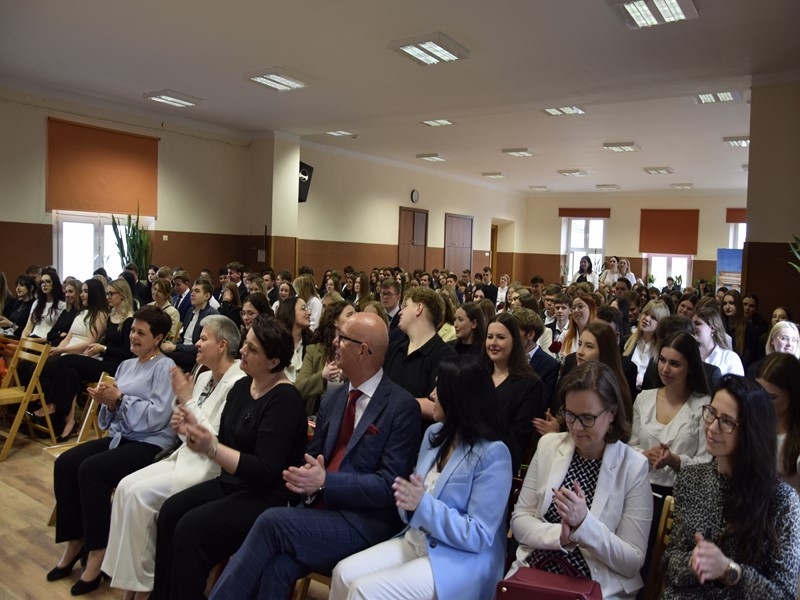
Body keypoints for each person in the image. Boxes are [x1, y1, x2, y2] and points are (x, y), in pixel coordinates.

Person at [208, 312, 421, 600]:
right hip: (317, 510)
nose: (334, 342)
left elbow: (389, 486)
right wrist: (302, 477)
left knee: (271, 522)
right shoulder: (334, 397)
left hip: (363, 522)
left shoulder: (401, 407)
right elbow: (313, 456)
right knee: (276, 566)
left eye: (342, 338)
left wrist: (326, 482)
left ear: (363, 350)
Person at [148, 316, 307, 600]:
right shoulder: (242, 388)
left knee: (191, 528)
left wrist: (210, 448)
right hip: (233, 484)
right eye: (246, 343)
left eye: (252, 349)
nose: (242, 351)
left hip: (266, 497)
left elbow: (264, 471)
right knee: (171, 512)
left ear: (273, 362)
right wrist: (190, 431)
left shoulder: (285, 400)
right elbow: (225, 442)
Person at [330, 355, 513, 600]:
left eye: (439, 388)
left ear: (458, 397)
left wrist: (422, 505)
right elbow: (412, 501)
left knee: (365, 590)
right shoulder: (434, 434)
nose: (432, 395)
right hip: (416, 540)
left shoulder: (493, 453)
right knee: (343, 573)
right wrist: (406, 499)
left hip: (459, 560)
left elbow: (479, 535)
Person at [102, 316, 245, 597]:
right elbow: (185, 429)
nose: (197, 344)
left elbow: (212, 439)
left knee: (140, 496)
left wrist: (187, 401)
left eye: (203, 338)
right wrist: (181, 421)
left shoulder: (237, 382)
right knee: (126, 488)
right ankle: (130, 582)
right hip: (183, 455)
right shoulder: (203, 376)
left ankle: (145, 585)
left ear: (222, 345)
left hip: (208, 467)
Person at [48, 307, 177, 596]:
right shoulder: (126, 365)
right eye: (132, 331)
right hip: (123, 436)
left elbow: (158, 417)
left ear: (158, 338)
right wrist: (107, 403)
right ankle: (75, 541)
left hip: (150, 443)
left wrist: (119, 401)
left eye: (141, 333)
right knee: (66, 464)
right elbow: (110, 418)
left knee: (91, 471)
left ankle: (99, 551)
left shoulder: (165, 367)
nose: (133, 336)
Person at [508, 362, 653, 599]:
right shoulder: (549, 446)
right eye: (570, 414)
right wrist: (561, 535)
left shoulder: (633, 467)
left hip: (596, 584)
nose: (576, 427)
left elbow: (632, 561)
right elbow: (519, 522)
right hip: (536, 572)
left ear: (612, 413)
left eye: (587, 418)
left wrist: (585, 524)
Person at [661, 376, 800, 598]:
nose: (712, 427)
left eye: (726, 421)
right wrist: (694, 562)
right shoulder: (690, 478)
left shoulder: (783, 501)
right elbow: (670, 563)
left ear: (751, 431)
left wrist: (729, 571)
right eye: (711, 413)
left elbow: (783, 595)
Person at [384, 286, 457, 428]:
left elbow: (438, 406)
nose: (400, 312)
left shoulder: (445, 355)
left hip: (419, 436)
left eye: (405, 306)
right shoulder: (393, 349)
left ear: (419, 308)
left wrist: (394, 402)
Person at [483, 312, 545, 471]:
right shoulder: (477, 374)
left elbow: (519, 437)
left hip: (500, 462)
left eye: (500, 337)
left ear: (514, 342)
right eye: (490, 337)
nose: (493, 343)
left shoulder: (530, 384)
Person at [296, 300, 354, 415]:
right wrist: (322, 375)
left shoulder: (357, 350)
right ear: (335, 322)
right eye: (349, 315)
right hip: (318, 414)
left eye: (355, 313)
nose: (355, 318)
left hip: (347, 414)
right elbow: (298, 389)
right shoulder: (314, 350)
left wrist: (349, 376)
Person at [757, 353, 800, 494]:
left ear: (791, 395)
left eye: (771, 397)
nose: (762, 402)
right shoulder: (755, 424)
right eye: (759, 393)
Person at [160, 278, 218, 371]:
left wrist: (175, 347)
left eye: (197, 291)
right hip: (183, 349)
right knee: (157, 349)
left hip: (196, 354)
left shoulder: (211, 315)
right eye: (192, 290)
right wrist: (171, 344)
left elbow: (202, 346)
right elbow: (183, 338)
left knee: (162, 356)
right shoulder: (190, 311)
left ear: (207, 296)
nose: (192, 294)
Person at [624, 299, 670, 388]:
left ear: (661, 324)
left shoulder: (663, 351)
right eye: (646, 313)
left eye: (653, 318)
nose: (646, 318)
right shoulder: (625, 341)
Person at [693, 307, 744, 376]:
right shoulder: (690, 355)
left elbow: (737, 382)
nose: (693, 327)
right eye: (692, 324)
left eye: (697, 323)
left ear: (712, 328)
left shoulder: (730, 358)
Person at [20, 267, 66, 339]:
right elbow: (28, 327)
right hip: (32, 337)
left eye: (48, 282)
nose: (44, 284)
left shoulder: (62, 305)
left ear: (54, 284)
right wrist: (24, 338)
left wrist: (32, 341)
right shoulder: (37, 303)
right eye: (42, 282)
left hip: (46, 340)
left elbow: (58, 333)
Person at [720, 289, 761, 370]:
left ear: (738, 305)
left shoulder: (749, 329)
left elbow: (746, 360)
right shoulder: (719, 326)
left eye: (731, 303)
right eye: (725, 303)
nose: (727, 307)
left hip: (739, 369)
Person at [275, 295, 312, 383]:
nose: (309, 313)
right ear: (290, 312)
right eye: (303, 309)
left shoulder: (312, 343)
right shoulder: (275, 344)